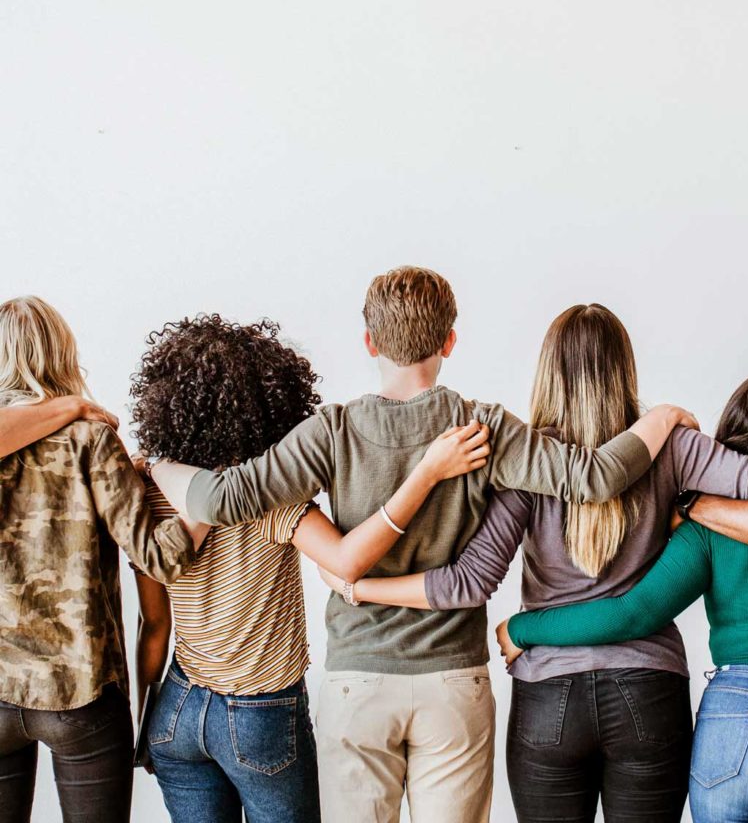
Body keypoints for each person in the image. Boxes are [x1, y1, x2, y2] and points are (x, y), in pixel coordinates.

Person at [149, 269, 695, 823]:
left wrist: (158, 465)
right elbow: (595, 476)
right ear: (449, 341)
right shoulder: (481, 427)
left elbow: (220, 498)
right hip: (452, 680)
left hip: (356, 682)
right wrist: (663, 417)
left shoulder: (331, 431)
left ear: (369, 342)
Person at [319, 306, 748, 823]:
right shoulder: (674, 447)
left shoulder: (528, 459)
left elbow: (469, 582)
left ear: (548, 371)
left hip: (549, 697)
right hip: (649, 692)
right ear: (624, 369)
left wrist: (361, 586)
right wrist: (693, 498)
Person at [129, 313, 489, 823]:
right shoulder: (275, 499)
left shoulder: (150, 494)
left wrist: (146, 721)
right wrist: (426, 474)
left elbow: (153, 625)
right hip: (260, 714)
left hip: (177, 707)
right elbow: (347, 561)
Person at [499, 368, 748, 823]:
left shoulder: (706, 535)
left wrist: (522, 626)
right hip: (651, 700)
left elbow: (632, 613)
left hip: (741, 722)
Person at [0, 297, 206, 823]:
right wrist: (212, 499)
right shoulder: (91, 439)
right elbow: (159, 560)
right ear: (61, 352)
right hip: (81, 690)